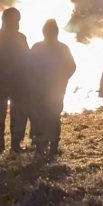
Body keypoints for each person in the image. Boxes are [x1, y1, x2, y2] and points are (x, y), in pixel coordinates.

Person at [0, 8, 30, 154]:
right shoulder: (18, 37)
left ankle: (3, 145)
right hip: (13, 81)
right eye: (15, 20)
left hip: (8, 81)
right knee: (12, 113)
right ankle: (10, 145)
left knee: (5, 112)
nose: (16, 23)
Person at [28, 19, 76, 157]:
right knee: (54, 116)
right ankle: (53, 146)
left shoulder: (37, 47)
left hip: (40, 90)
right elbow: (71, 67)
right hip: (56, 89)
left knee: (39, 117)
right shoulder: (63, 48)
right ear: (57, 32)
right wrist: (63, 79)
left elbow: (29, 67)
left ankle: (40, 146)